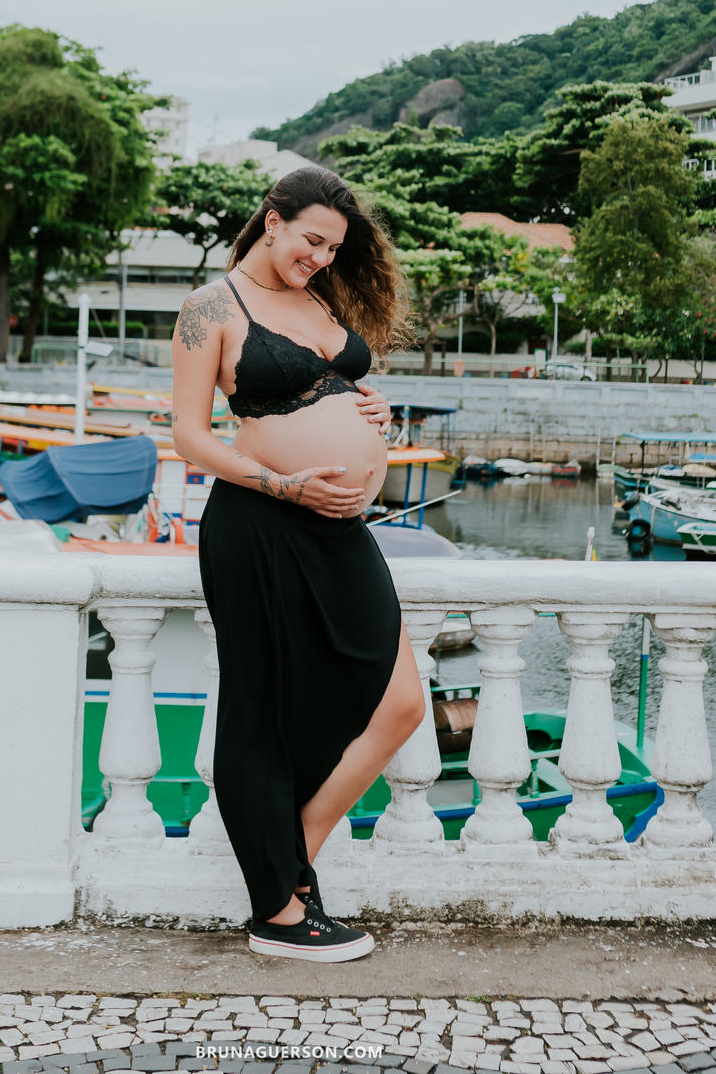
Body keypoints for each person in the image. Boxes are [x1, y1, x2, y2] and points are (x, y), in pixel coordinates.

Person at [172, 165, 423, 963]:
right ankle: (280, 914)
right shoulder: (210, 307)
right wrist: (285, 483)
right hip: (260, 523)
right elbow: (191, 438)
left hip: (340, 529)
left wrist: (373, 409)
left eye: (333, 248)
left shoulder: (319, 300)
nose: (319, 257)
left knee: (401, 704)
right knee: (258, 707)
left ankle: (288, 872)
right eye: (311, 239)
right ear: (273, 220)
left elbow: (329, 386)